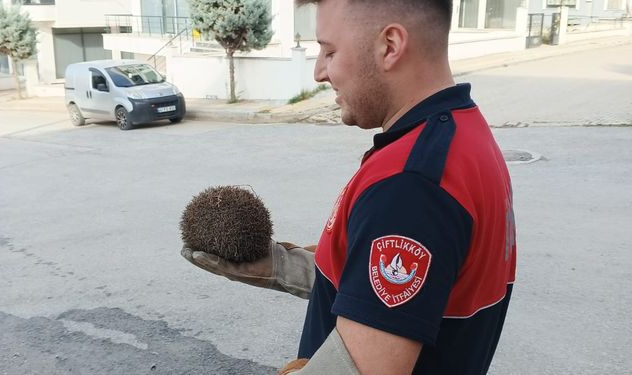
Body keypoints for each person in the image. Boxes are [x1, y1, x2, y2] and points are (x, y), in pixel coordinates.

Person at [182, 0, 516, 373]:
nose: (318, 72)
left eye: (329, 50)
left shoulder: (411, 185)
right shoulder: (461, 136)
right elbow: (410, 301)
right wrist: (282, 267)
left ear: (390, 46)